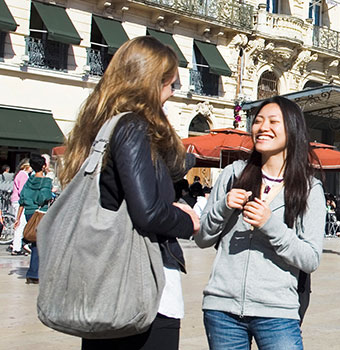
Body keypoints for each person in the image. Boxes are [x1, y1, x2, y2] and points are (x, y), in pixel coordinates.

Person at [55, 36, 200, 349]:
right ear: (150, 83)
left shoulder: (98, 127)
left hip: (102, 286)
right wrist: (188, 221)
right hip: (139, 287)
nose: (172, 95)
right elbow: (147, 212)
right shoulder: (133, 127)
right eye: (170, 85)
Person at [195, 96, 325, 350]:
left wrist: (270, 224)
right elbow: (202, 238)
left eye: (273, 121)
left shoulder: (309, 189)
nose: (263, 127)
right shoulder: (234, 174)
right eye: (258, 121)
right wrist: (224, 206)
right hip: (222, 309)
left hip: (277, 312)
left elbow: (310, 258)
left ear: (292, 130)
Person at [16, 155, 53, 284]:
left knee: (35, 242)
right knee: (40, 243)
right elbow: (44, 197)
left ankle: (34, 272)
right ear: (44, 166)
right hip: (41, 213)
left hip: (29, 212)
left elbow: (22, 198)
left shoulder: (30, 180)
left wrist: (18, 218)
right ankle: (34, 273)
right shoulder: (46, 181)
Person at [9, 159, 30, 255]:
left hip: (15, 200)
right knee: (21, 224)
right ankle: (17, 247)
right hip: (19, 201)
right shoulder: (23, 175)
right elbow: (23, 191)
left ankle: (16, 245)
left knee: (20, 224)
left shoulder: (20, 174)